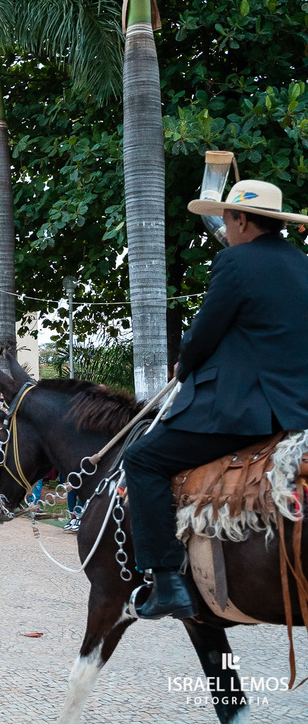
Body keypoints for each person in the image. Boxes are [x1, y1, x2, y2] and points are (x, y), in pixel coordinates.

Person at [123, 180, 308, 620]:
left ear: (243, 220)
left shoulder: (234, 262)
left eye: (227, 218)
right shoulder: (303, 264)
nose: (226, 227)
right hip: (296, 409)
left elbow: (206, 331)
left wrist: (184, 366)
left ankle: (166, 580)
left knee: (143, 459)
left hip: (243, 411)